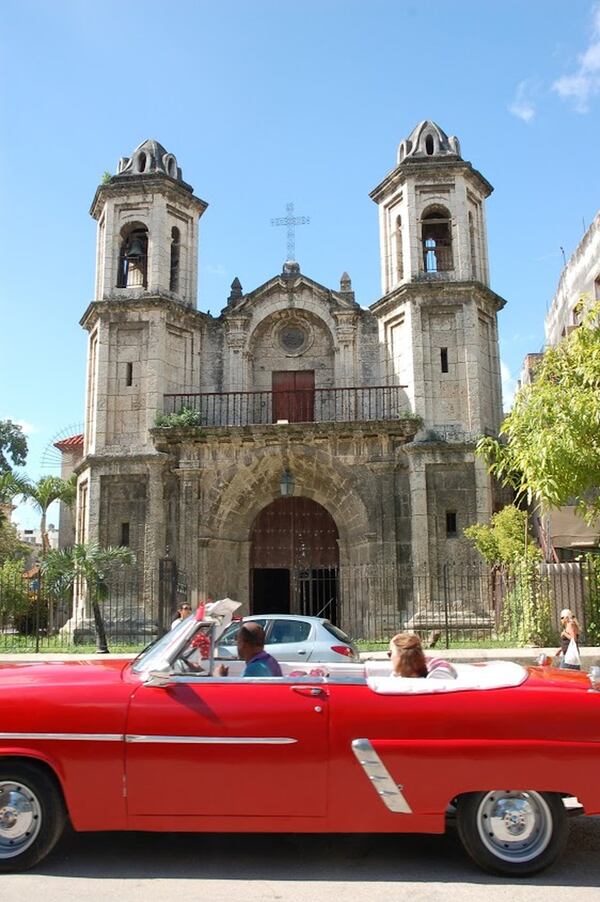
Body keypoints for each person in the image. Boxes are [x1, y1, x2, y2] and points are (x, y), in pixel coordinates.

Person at [216, 622, 282, 677]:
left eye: (237, 640)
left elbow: (241, 692)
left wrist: (219, 678)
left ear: (242, 643)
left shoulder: (254, 669)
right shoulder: (270, 661)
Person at [388, 632, 457, 679]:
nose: (389, 657)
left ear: (402, 658)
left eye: (390, 653)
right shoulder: (396, 675)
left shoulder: (440, 674)